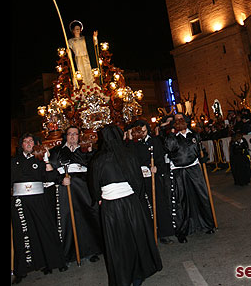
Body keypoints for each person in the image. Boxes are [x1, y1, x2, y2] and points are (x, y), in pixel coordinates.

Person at [88, 125, 163, 286]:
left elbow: (94, 186)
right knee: (135, 237)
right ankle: (138, 274)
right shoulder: (128, 155)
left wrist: (99, 198)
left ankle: (122, 276)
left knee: (117, 242)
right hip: (130, 203)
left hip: (111, 206)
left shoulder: (98, 159)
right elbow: (137, 180)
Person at [11, 133, 67, 284]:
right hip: (20, 202)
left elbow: (50, 177)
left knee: (46, 229)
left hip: (39, 199)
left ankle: (55, 262)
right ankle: (21, 270)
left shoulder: (40, 161)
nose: (29, 143)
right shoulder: (14, 161)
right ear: (21, 145)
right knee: (22, 233)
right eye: (25, 141)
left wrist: (47, 160)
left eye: (31, 141)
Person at [48, 126, 103, 264]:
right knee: (67, 219)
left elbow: (94, 166)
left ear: (79, 136)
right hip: (65, 189)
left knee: (87, 216)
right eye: (69, 134)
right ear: (65, 136)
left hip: (83, 188)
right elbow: (50, 170)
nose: (72, 136)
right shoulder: (56, 152)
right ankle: (69, 253)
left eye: (75, 134)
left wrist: (90, 152)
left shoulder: (85, 149)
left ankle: (91, 250)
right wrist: (60, 180)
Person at [163, 113, 215, 243]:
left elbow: (199, 148)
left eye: (182, 119)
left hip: (194, 168)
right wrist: (171, 132)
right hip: (179, 171)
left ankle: (207, 224)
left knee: (201, 196)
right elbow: (169, 148)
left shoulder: (194, 135)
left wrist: (203, 157)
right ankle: (182, 231)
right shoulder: (172, 137)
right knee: (181, 200)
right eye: (177, 120)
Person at [126, 119, 176, 244]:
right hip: (139, 179)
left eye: (144, 131)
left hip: (153, 177)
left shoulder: (154, 141)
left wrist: (157, 168)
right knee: (143, 206)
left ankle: (163, 233)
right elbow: (130, 160)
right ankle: (148, 233)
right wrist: (131, 140)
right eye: (139, 131)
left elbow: (161, 160)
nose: (142, 133)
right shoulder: (132, 144)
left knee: (159, 204)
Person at [67, 20, 99, 88]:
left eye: (79, 28)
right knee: (80, 73)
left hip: (86, 57)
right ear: (73, 31)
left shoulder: (85, 38)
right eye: (76, 29)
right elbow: (69, 50)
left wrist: (95, 37)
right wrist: (68, 52)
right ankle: (81, 88)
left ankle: (92, 87)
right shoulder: (70, 41)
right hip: (78, 58)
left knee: (89, 72)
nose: (78, 30)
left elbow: (93, 44)